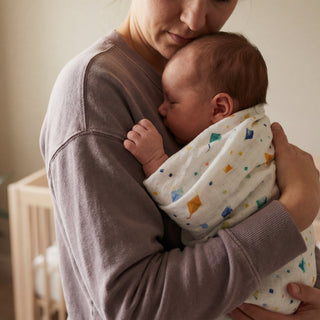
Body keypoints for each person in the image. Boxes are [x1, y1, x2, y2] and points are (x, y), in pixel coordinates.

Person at [39, 0, 320, 319]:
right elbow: (134, 306)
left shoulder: (210, 69)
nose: (195, 19)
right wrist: (297, 209)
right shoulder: (94, 93)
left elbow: (252, 205)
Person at [123, 32, 316, 317]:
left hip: (264, 291)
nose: (161, 110)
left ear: (219, 108)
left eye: (172, 102)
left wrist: (155, 159)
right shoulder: (251, 131)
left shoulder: (237, 143)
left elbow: (196, 208)